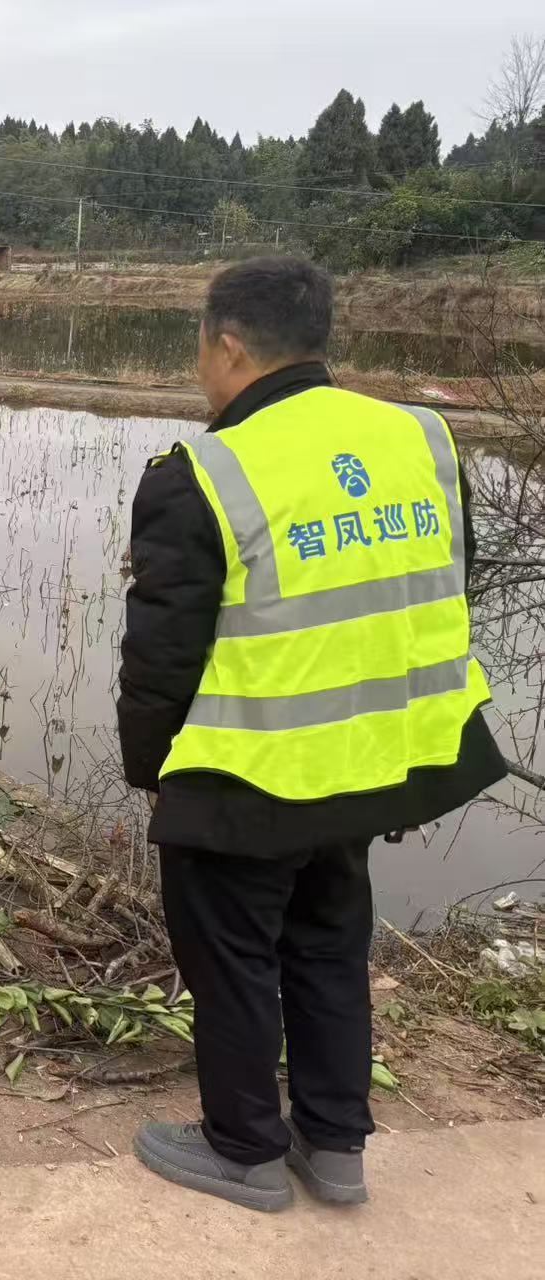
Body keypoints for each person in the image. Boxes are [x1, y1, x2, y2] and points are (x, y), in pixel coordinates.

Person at [118, 257, 506, 1213]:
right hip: (374, 761)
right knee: (330, 946)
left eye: (200, 348)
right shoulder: (418, 435)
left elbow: (161, 657)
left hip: (250, 770)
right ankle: (334, 1147)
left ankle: (244, 1148)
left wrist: (154, 772)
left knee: (232, 954)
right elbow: (438, 589)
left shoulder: (204, 472)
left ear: (229, 344)